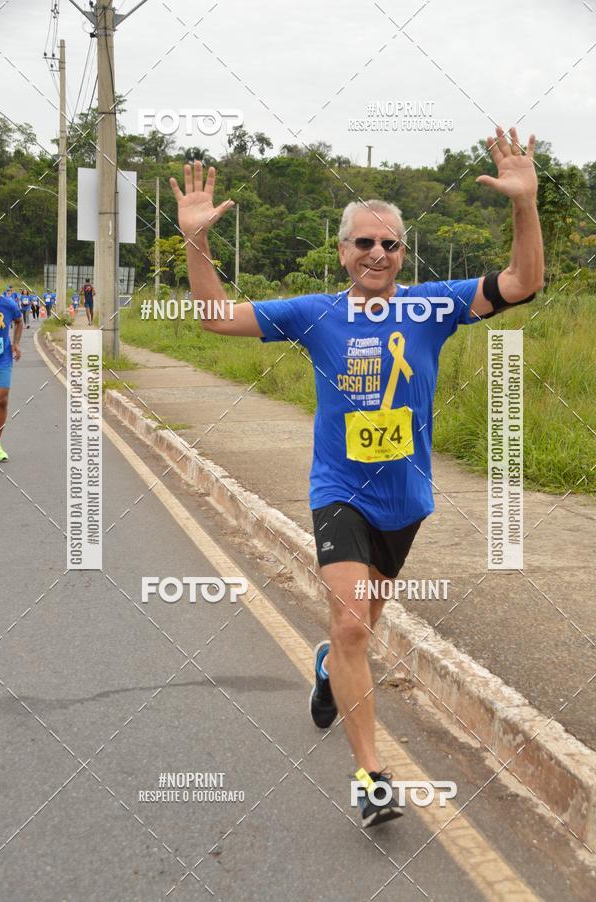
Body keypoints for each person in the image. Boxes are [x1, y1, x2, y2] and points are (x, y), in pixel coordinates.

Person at [170, 126, 544, 828]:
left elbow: (523, 283)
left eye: (390, 243)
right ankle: (372, 777)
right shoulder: (315, 314)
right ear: (342, 251)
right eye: (363, 242)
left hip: (406, 502)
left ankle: (324, 670)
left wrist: (525, 205)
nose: (377, 252)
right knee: (350, 626)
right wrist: (197, 239)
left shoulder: (432, 307)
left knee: (359, 632)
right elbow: (217, 318)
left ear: (404, 252)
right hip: (338, 492)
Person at [0, 273, 23, 461]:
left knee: (2, 399)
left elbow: (19, 321)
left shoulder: (8, 304)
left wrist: (16, 343)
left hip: (3, 358)